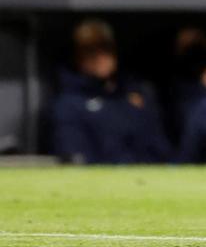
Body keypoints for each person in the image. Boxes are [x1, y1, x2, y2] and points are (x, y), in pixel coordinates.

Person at [51, 19, 171, 164]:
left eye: (105, 47)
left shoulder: (136, 95)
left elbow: (161, 149)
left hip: (148, 179)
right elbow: (76, 158)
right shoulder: (69, 104)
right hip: (100, 182)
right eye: (90, 50)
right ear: (78, 56)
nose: (100, 56)